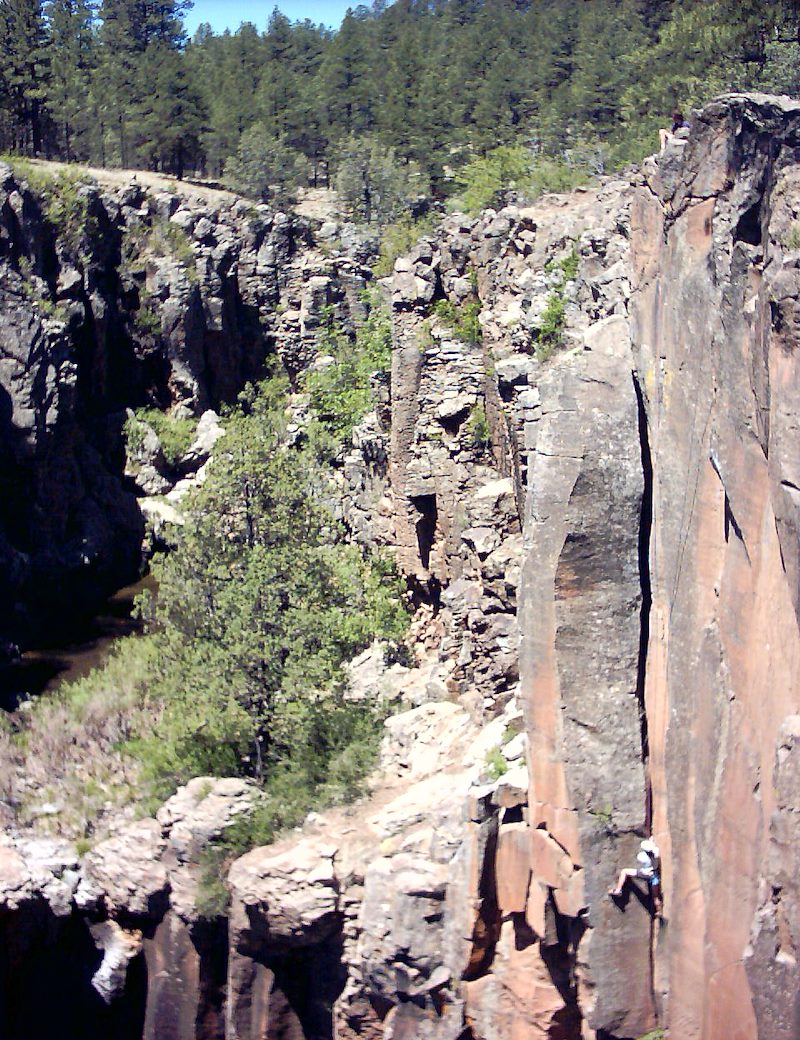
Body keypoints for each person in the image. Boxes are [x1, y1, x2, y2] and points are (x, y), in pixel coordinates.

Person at [609, 838, 662, 912]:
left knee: (625, 871)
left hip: (645, 874)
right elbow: (652, 852)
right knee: (656, 897)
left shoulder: (642, 857)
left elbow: (645, 855)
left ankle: (618, 889)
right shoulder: (656, 851)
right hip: (655, 876)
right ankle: (659, 912)